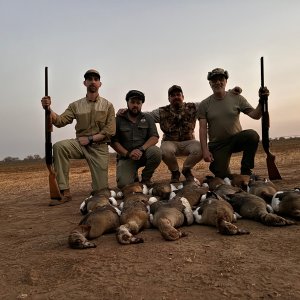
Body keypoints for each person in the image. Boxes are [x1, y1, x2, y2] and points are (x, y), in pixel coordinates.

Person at [41, 69, 116, 206]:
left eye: (95, 79)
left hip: (99, 147)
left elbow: (110, 131)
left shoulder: (108, 105)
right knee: (59, 147)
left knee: (101, 192)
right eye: (89, 79)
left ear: (100, 83)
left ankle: (98, 187)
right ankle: (64, 192)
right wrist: (48, 109)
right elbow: (60, 121)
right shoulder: (75, 105)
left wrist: (91, 139)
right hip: (80, 144)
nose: (92, 81)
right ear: (84, 83)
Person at [198, 68, 269, 178]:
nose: (218, 82)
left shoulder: (237, 97)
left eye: (221, 79)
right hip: (218, 145)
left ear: (226, 81)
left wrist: (261, 100)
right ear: (210, 84)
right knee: (223, 177)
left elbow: (255, 115)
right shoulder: (204, 104)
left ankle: (246, 169)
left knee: (252, 135)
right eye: (214, 80)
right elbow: (202, 129)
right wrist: (205, 151)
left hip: (236, 139)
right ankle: (217, 166)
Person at [149, 85, 202, 183]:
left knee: (202, 147)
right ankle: (175, 172)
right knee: (164, 150)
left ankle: (186, 170)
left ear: (183, 97)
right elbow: (145, 115)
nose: (176, 97)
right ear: (169, 99)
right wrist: (127, 111)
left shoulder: (193, 107)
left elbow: (209, 103)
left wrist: (230, 93)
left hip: (189, 141)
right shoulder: (161, 111)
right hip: (170, 142)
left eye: (178, 94)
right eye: (172, 95)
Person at [111, 90, 162, 188]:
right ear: (127, 103)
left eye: (138, 103)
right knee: (124, 185)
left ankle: (146, 178)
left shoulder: (148, 118)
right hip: (126, 157)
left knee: (156, 152)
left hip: (143, 154)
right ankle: (133, 176)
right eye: (132, 102)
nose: (135, 105)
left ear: (142, 104)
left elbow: (154, 137)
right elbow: (114, 142)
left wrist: (141, 149)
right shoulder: (117, 119)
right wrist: (128, 154)